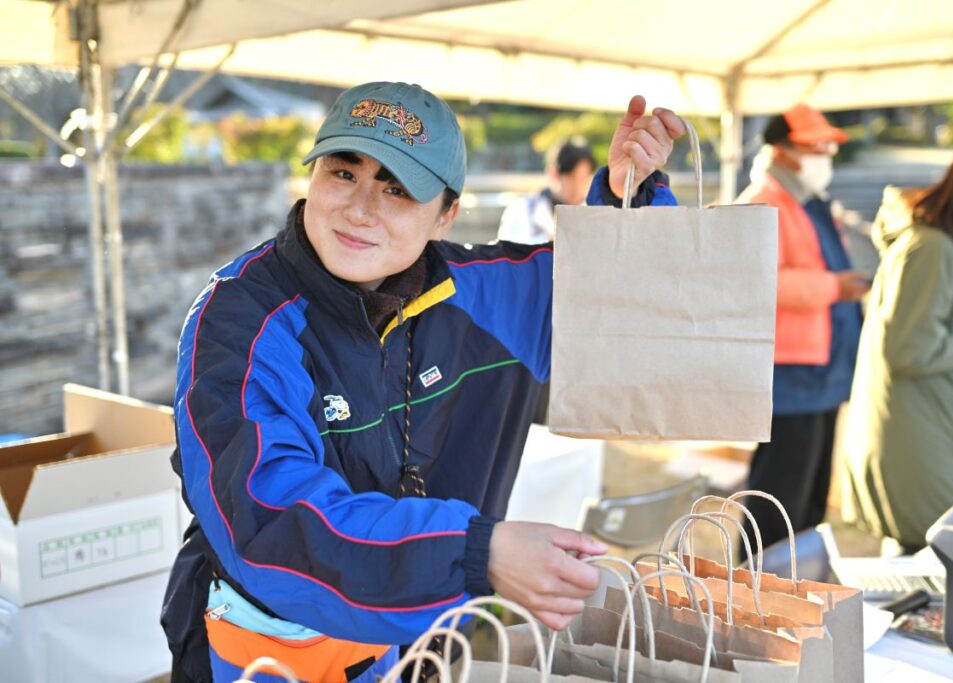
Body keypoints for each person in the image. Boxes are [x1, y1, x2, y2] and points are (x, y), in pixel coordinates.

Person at [161, 81, 684, 682]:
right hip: (265, 652)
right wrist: (472, 552)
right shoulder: (238, 316)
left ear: (446, 215)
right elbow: (268, 517)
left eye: (398, 188)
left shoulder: (481, 292)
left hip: (419, 641)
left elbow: (607, 300)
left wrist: (628, 197)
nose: (360, 208)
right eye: (343, 172)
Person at [842, 127, 953, 550]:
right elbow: (907, 349)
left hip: (931, 443)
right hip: (927, 455)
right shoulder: (932, 249)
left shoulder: (936, 246)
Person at [735, 104, 868, 552]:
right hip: (789, 370)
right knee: (778, 496)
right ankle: (755, 591)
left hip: (822, 367)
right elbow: (754, 282)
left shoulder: (808, 201)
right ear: (785, 150)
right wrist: (834, 286)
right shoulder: (763, 200)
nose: (827, 154)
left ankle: (799, 588)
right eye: (818, 147)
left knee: (810, 498)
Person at [497, 139, 597, 244]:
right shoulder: (523, 209)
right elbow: (508, 248)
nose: (579, 186)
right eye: (573, 178)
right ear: (554, 174)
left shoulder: (593, 212)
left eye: (585, 179)